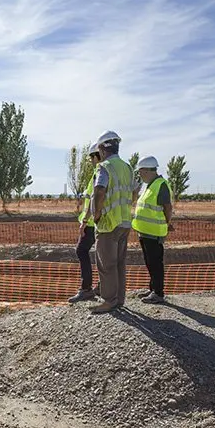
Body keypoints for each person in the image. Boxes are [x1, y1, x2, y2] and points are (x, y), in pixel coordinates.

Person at [90, 130, 135, 314]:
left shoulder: (105, 167)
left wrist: (97, 214)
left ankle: (109, 300)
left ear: (102, 148)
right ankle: (119, 298)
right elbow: (133, 193)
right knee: (119, 263)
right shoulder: (127, 167)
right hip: (124, 222)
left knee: (106, 264)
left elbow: (100, 191)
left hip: (108, 224)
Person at [132, 155, 174, 304]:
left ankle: (158, 293)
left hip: (154, 232)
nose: (140, 175)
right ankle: (152, 289)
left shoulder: (160, 184)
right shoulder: (149, 185)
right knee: (150, 262)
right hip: (145, 232)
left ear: (147, 170)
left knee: (155, 263)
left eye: (141, 172)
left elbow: (167, 208)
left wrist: (167, 223)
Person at [69, 142, 101, 303]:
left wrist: (85, 221)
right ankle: (100, 286)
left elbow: (93, 201)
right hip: (97, 221)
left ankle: (87, 288)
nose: (90, 161)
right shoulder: (102, 172)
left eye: (91, 158)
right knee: (104, 254)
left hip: (92, 223)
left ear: (96, 156)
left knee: (81, 251)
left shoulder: (99, 173)